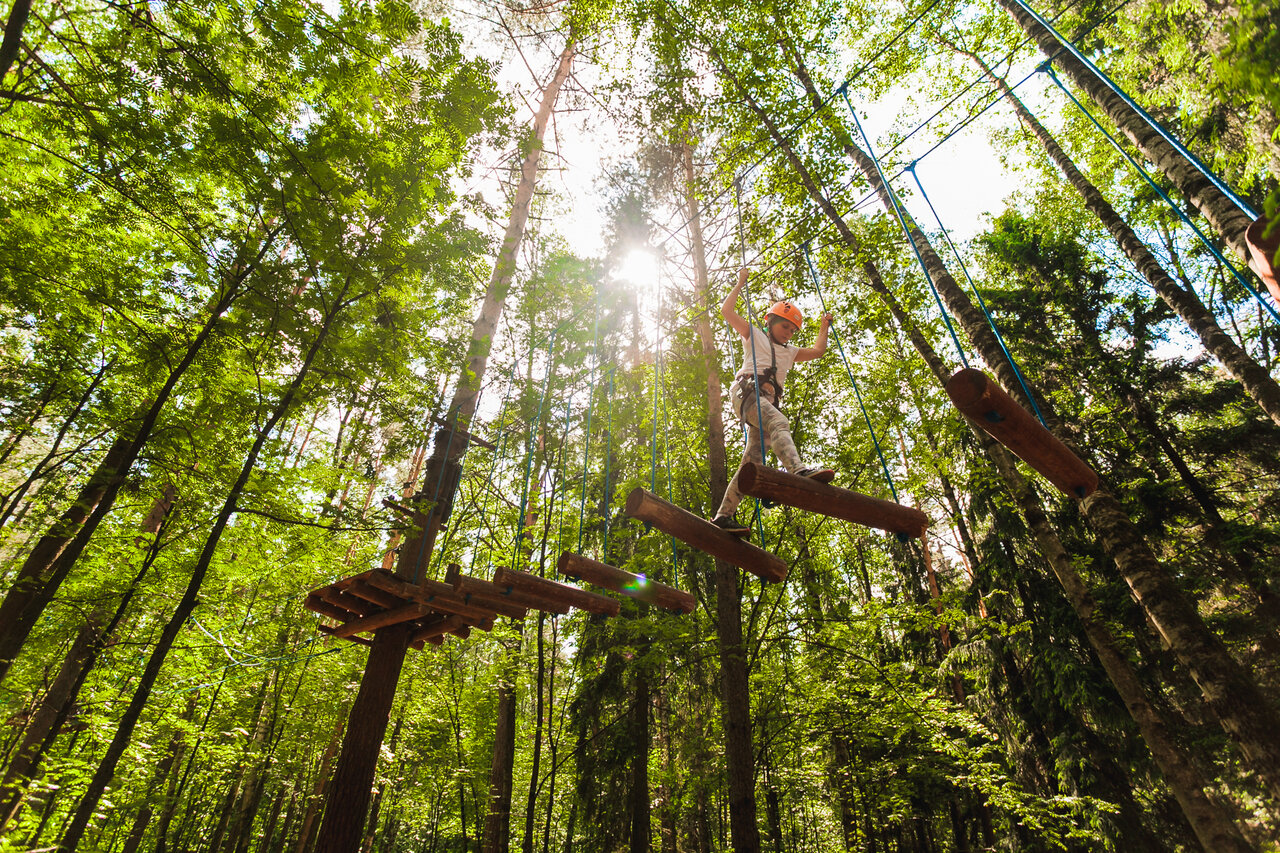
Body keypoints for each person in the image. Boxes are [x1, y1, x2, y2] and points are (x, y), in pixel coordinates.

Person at [711, 267, 834, 536]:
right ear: (770, 321)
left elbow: (819, 351)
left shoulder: (790, 352)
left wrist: (824, 326)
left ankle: (723, 516)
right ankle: (797, 470)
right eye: (784, 326)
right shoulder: (754, 335)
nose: (789, 332)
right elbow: (727, 312)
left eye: (793, 329)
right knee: (780, 422)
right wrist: (740, 283)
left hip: (765, 403)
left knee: (751, 463)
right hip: (748, 394)